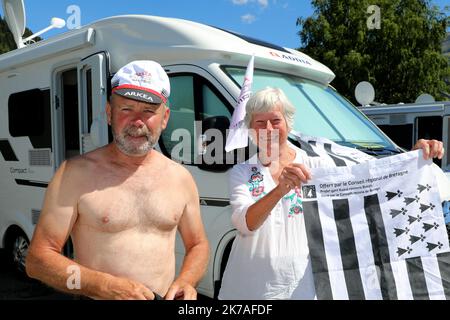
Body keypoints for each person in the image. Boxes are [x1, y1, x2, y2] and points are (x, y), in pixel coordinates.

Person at [218, 87, 447, 300]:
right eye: (260, 122)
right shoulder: (242, 171)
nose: (268, 129)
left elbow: (372, 177)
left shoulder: (318, 164)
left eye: (275, 121)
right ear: (250, 129)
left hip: (305, 285)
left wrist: (412, 159)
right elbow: (244, 223)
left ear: (288, 124)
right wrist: (279, 190)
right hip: (251, 287)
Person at [26, 60, 209, 300]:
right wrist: (101, 285)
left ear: (164, 119)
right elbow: (38, 260)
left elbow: (198, 245)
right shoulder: (74, 174)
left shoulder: (180, 178)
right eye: (126, 109)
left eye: (148, 111)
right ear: (110, 114)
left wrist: (186, 281)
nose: (137, 121)